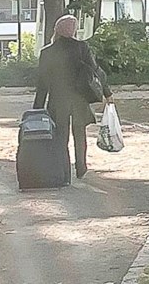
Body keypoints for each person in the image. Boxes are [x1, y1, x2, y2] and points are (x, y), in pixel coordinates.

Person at [35, 11, 113, 180]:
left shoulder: (47, 52)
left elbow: (42, 84)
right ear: (73, 30)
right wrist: (107, 93)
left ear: (57, 29)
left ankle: (64, 173)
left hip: (58, 101)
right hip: (79, 100)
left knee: (61, 138)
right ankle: (81, 167)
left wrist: (37, 109)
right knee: (80, 134)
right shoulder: (81, 47)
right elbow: (96, 72)